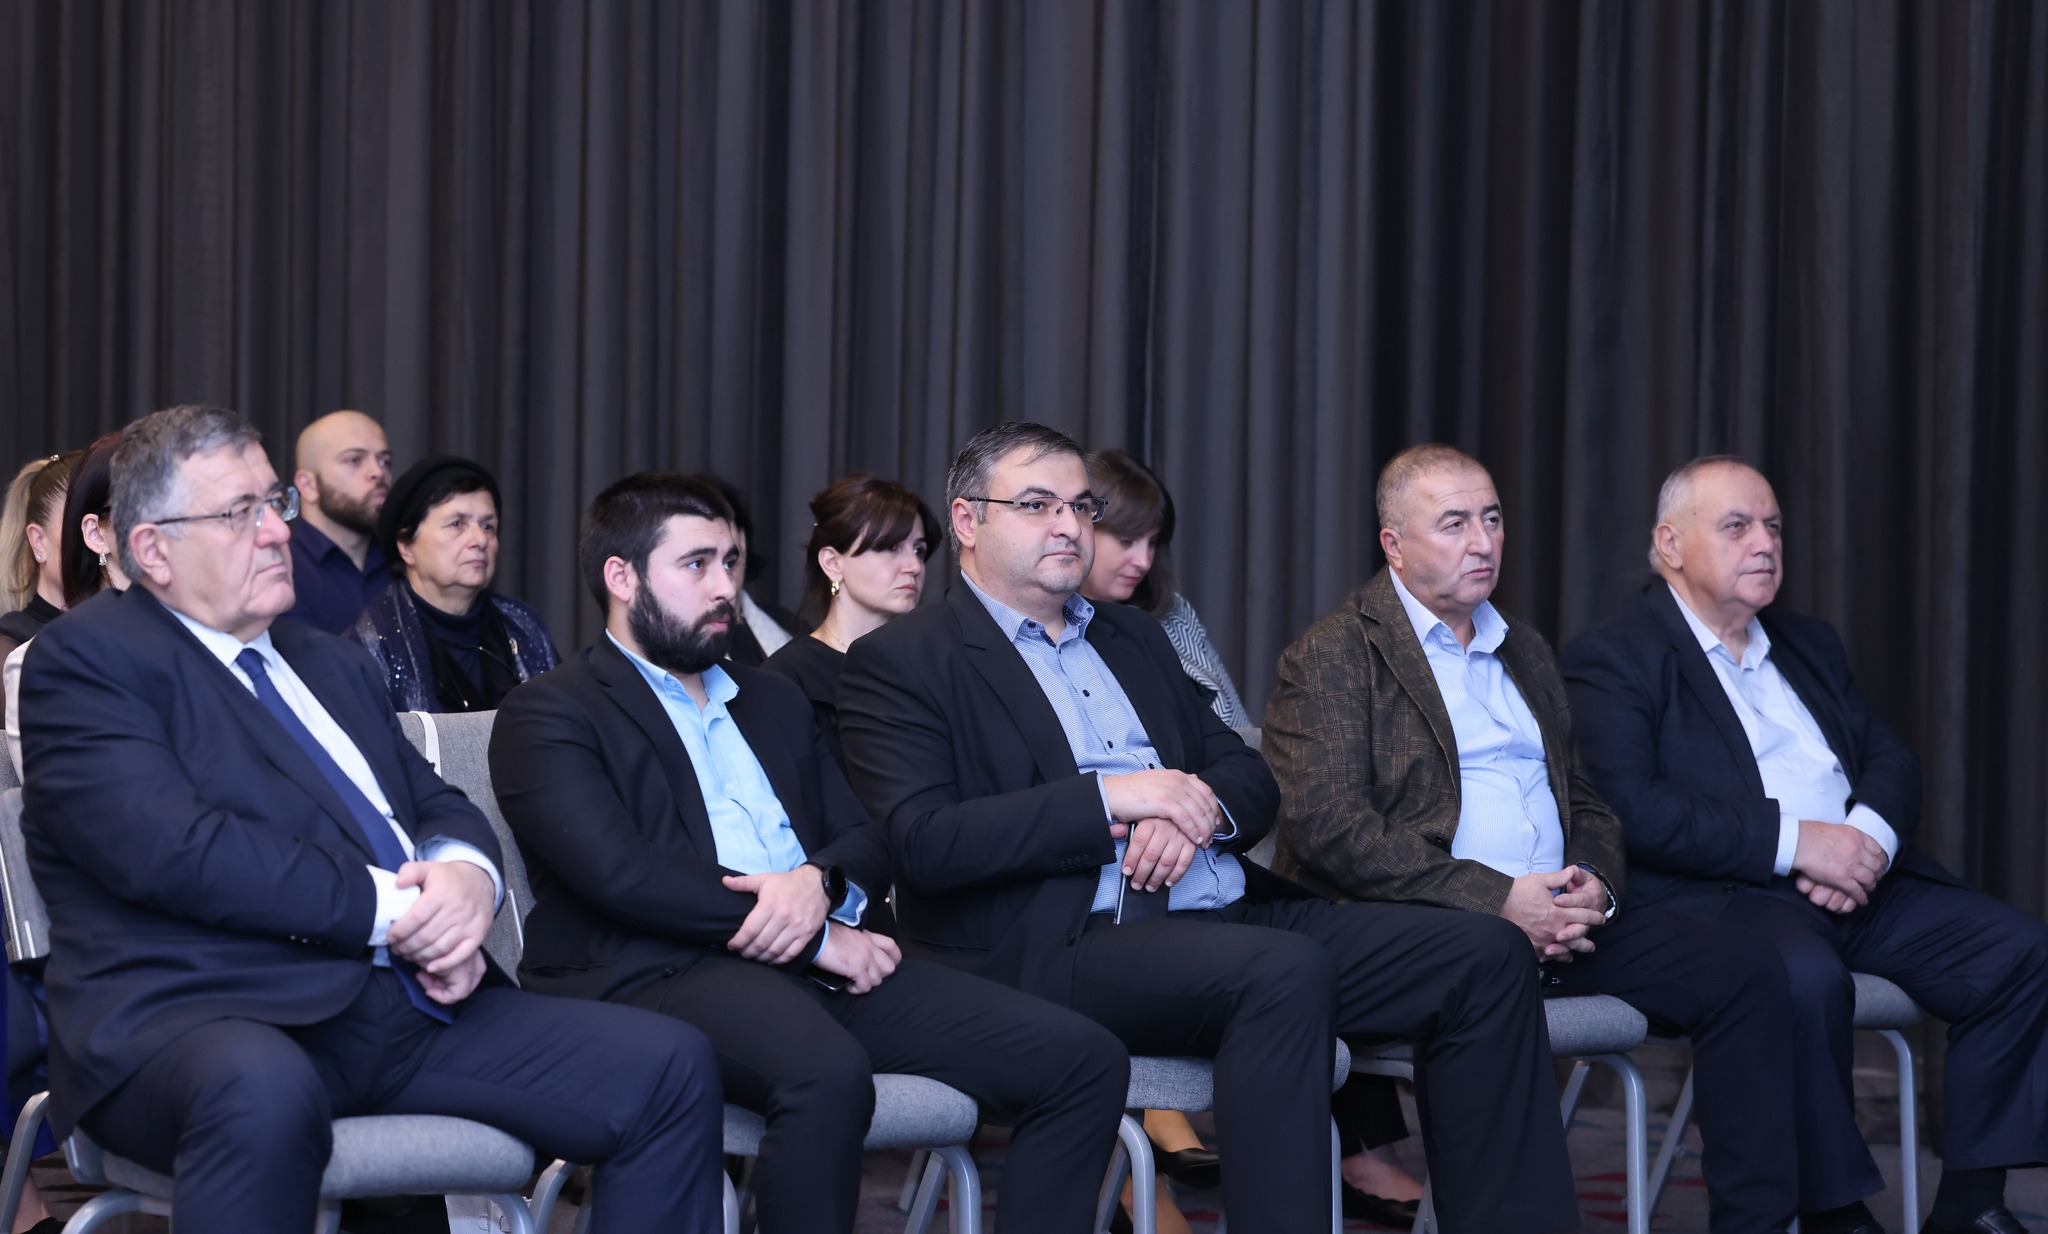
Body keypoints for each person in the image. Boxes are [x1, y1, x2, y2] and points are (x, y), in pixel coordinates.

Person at [838, 421, 1581, 1233]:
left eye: (1081, 507)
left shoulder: (1129, 634)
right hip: (1060, 940)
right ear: (968, 520)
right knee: (1279, 972)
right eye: (1037, 505)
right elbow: (927, 844)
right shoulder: (905, 659)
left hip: (1221, 912)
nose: (1068, 526)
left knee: (1483, 952)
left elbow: (1248, 773)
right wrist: (1116, 799)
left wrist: (1195, 811)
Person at [15, 405, 723, 1232]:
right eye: (237, 513)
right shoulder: (87, 660)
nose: (276, 532)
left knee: (669, 1066)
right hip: (198, 1015)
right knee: (260, 1088)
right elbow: (175, 851)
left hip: (401, 1008)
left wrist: (468, 878)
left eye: (273, 503)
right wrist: (405, 913)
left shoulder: (328, 659)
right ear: (153, 549)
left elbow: (434, 801)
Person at [489, 472, 1127, 1234]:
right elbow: (621, 875)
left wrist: (819, 885)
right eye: (697, 564)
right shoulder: (550, 711)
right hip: (657, 971)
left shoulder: (772, 696)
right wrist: (816, 937)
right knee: (826, 1074)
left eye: (731, 562)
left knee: (1083, 1060)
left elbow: (867, 835)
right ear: (621, 578)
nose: (724, 586)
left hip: (821, 965)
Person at [1266, 443, 1807, 1234]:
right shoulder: (1336, 653)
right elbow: (1329, 826)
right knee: (1488, 961)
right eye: (1454, 523)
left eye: (1491, 519)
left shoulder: (1522, 646)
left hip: (1562, 917)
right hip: (1432, 927)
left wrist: (1593, 885)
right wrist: (1499, 900)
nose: (1482, 541)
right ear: (1394, 544)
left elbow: (1584, 797)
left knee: (1746, 968)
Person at [1561, 456, 2048, 1234]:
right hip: (1731, 897)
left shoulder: (1806, 642)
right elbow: (1633, 809)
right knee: (1802, 980)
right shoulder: (1615, 657)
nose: (1765, 544)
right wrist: (1798, 845)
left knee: (2018, 952)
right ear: (1670, 544)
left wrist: (1863, 841)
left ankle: (1972, 1203)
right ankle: (1835, 1212)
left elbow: (1890, 757)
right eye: (1737, 526)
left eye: (1774, 527)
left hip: (1861, 882)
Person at [350, 456, 559, 712]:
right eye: (457, 524)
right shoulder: (371, 642)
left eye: (488, 526)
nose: (479, 540)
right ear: (406, 547)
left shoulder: (523, 625)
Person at [763, 473, 940, 767]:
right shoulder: (788, 677)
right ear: (833, 563)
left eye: (918, 550)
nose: (914, 566)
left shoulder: (929, 666)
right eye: (891, 547)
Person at [1080, 448, 1250, 727]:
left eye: (1152, 543)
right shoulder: (1046, 625)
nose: (1144, 561)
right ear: (1082, 527)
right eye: (1127, 541)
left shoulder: (1174, 612)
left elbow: (1238, 727)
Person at [285, 410, 394, 634]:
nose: (378, 472)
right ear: (308, 485)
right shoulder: (280, 570)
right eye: (354, 460)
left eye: (385, 461)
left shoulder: (406, 563)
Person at [706, 478, 798, 665]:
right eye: (698, 562)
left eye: (728, 561)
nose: (724, 581)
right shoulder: (676, 640)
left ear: (742, 541)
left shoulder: (788, 625)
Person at [0, 454, 76, 657]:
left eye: (102, 520)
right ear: (38, 541)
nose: (94, 539)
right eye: (76, 524)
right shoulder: (11, 643)